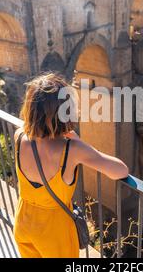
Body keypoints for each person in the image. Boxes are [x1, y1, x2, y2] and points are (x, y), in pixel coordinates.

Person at [13, 73, 129, 258]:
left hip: (24, 223)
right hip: (55, 233)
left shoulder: (20, 137)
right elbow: (121, 170)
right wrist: (81, 144)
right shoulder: (71, 150)